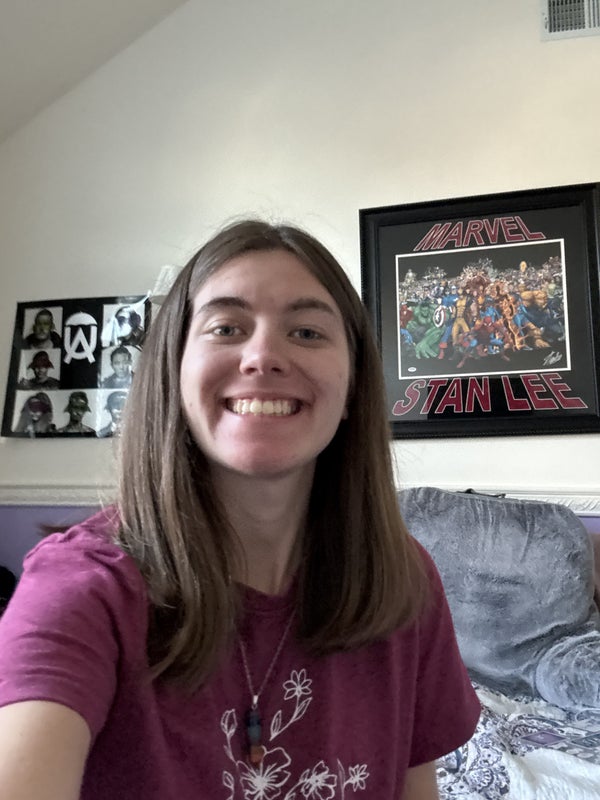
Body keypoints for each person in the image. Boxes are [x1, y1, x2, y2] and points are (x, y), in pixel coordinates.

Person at [0, 220, 480, 799]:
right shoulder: (83, 590)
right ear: (174, 372)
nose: (263, 355)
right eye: (226, 327)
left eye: (306, 332)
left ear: (353, 388)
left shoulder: (403, 579)